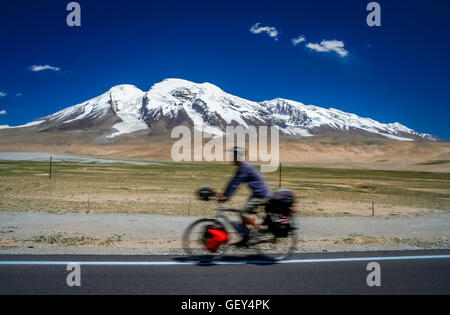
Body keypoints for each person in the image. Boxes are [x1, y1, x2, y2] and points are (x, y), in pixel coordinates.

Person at [216, 146, 271, 233]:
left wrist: (226, 196)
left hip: (261, 195)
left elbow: (235, 184)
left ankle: (260, 230)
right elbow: (233, 181)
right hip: (257, 193)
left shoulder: (245, 168)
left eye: (233, 156)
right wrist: (224, 194)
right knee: (247, 214)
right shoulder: (243, 167)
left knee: (243, 213)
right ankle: (247, 235)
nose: (232, 158)